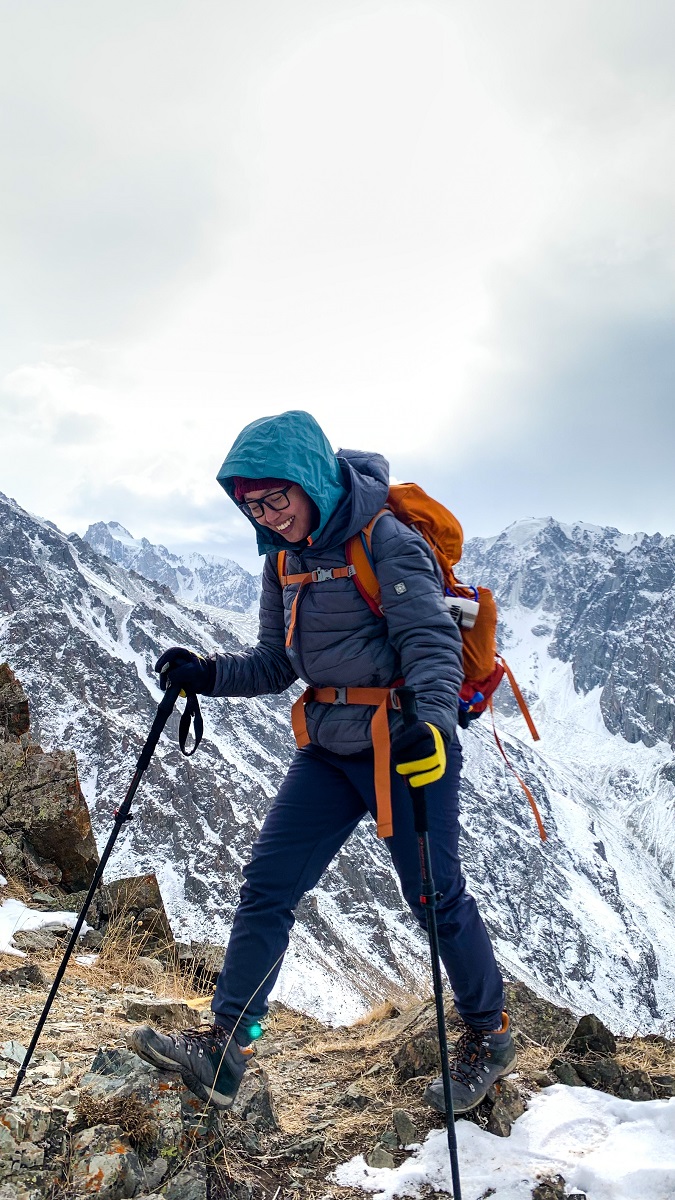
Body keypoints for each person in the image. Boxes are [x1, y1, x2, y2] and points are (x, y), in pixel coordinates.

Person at [129, 409, 515, 1112]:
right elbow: (278, 663)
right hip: (329, 747)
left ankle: (487, 1035)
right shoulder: (283, 560)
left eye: (276, 498)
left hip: (401, 745)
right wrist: (207, 674)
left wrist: (431, 728)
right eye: (251, 506)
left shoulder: (386, 542)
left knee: (435, 900)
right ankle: (226, 1043)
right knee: (267, 884)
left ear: (309, 481)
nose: (268, 516)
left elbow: (429, 643)